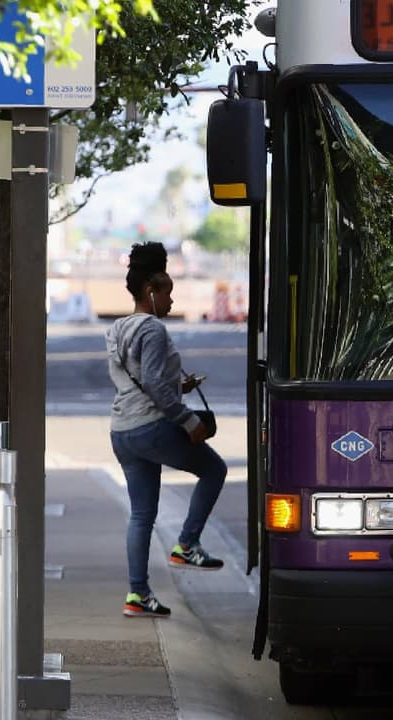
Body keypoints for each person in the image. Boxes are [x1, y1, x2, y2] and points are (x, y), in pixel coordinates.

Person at [106, 241, 227, 618]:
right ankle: (187, 545)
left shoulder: (117, 328)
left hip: (122, 432)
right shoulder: (153, 329)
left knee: (141, 515)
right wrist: (189, 421)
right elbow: (155, 386)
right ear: (150, 291)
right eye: (167, 293)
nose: (172, 301)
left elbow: (142, 380)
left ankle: (138, 595)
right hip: (151, 428)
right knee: (214, 470)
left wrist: (179, 386)